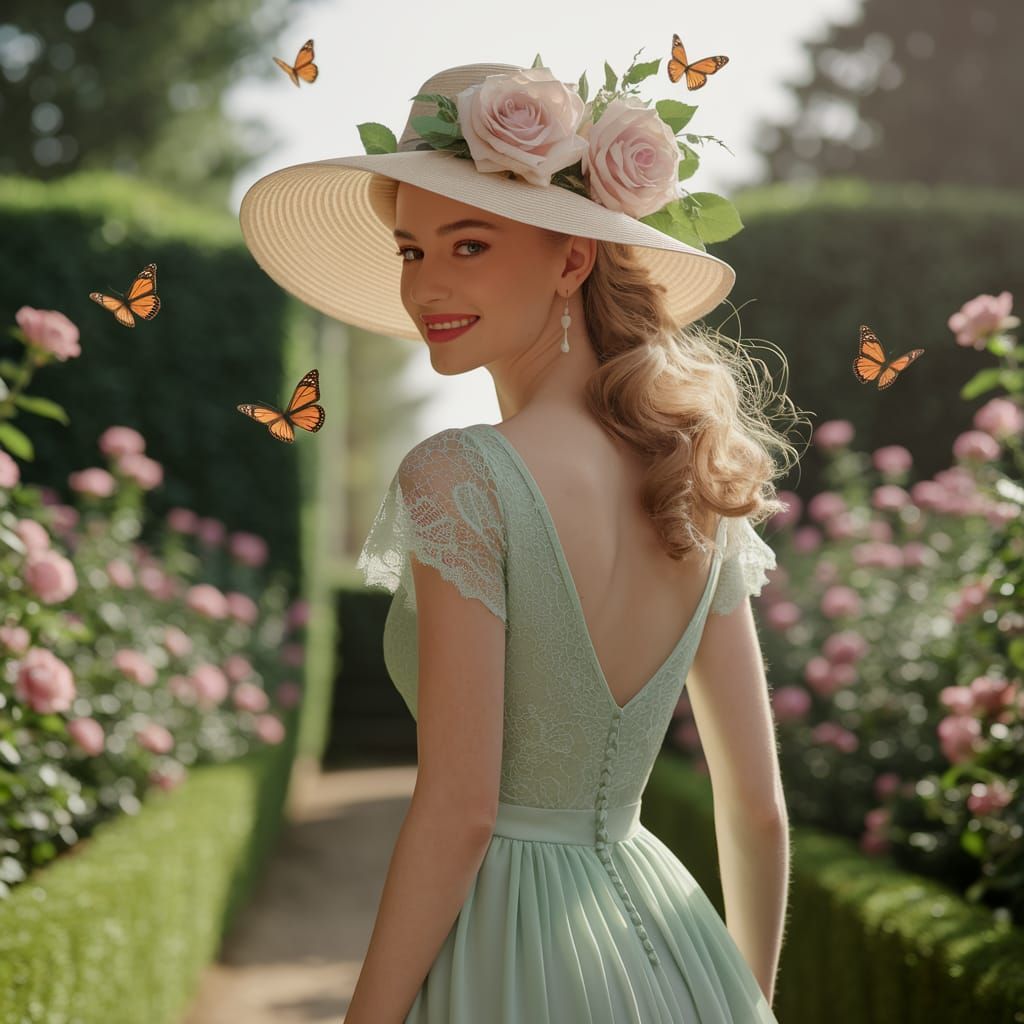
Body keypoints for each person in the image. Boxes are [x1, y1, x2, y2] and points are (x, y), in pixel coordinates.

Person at [240, 57, 798, 1024]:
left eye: (468, 245)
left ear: (573, 260)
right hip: (674, 959)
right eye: (411, 251)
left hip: (506, 955)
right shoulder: (695, 482)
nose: (426, 286)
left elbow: (461, 812)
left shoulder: (459, 475)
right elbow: (757, 811)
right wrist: (743, 1001)